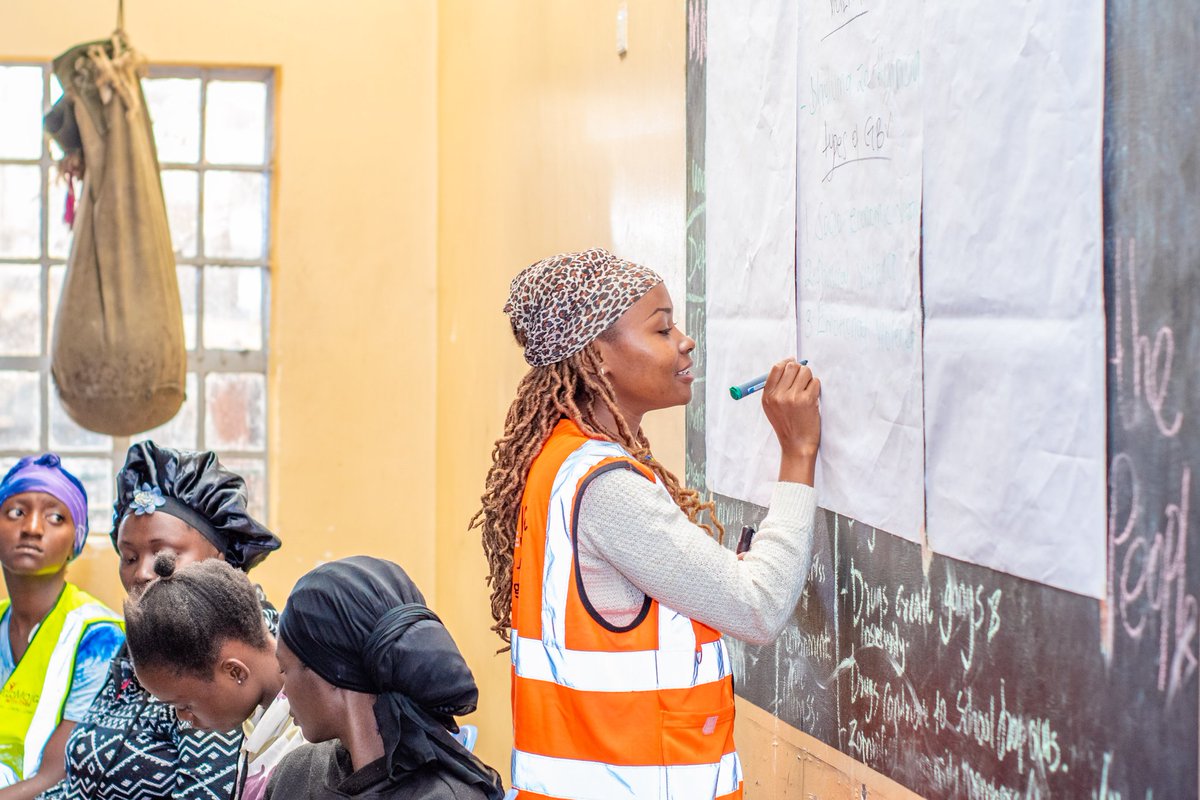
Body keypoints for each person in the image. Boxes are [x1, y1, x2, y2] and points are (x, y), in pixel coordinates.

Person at [472, 248, 822, 799]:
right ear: (597, 356)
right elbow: (758, 605)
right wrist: (798, 451)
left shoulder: (561, 460)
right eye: (661, 329)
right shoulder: (605, 487)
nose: (684, 341)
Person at [36, 441, 282, 800]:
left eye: (163, 555)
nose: (142, 573)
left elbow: (207, 792)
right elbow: (79, 781)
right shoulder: (139, 641)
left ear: (219, 556)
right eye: (129, 556)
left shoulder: (227, 649)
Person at [265, 556, 506, 800]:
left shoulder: (450, 797)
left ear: (330, 672)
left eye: (284, 669)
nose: (283, 692)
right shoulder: (294, 773)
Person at [124, 556, 304, 800]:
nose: (184, 719)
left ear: (234, 672)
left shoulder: (306, 738)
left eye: (184, 705)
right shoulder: (263, 720)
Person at [0, 455, 124, 800]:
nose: (32, 528)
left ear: (76, 540)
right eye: (16, 512)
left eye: (55, 517)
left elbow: (55, 773)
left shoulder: (99, 635)